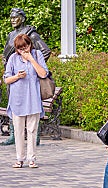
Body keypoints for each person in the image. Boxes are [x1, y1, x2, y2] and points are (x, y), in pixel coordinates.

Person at [1, 8, 51, 146]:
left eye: (15, 17)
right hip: (13, 76)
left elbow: (45, 51)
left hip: (28, 79)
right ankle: (13, 135)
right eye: (11, 17)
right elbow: (7, 55)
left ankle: (35, 136)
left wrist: (33, 65)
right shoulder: (11, 35)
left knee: (32, 106)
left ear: (22, 18)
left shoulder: (31, 34)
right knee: (14, 105)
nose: (12, 20)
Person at [3, 34, 49, 168]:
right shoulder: (13, 58)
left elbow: (43, 74)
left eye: (26, 46)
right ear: (16, 49)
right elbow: (7, 79)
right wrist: (17, 76)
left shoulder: (37, 54)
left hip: (33, 98)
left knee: (32, 130)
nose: (24, 50)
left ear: (30, 44)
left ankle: (32, 159)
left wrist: (31, 59)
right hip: (17, 99)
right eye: (20, 48)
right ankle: (19, 158)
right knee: (18, 131)